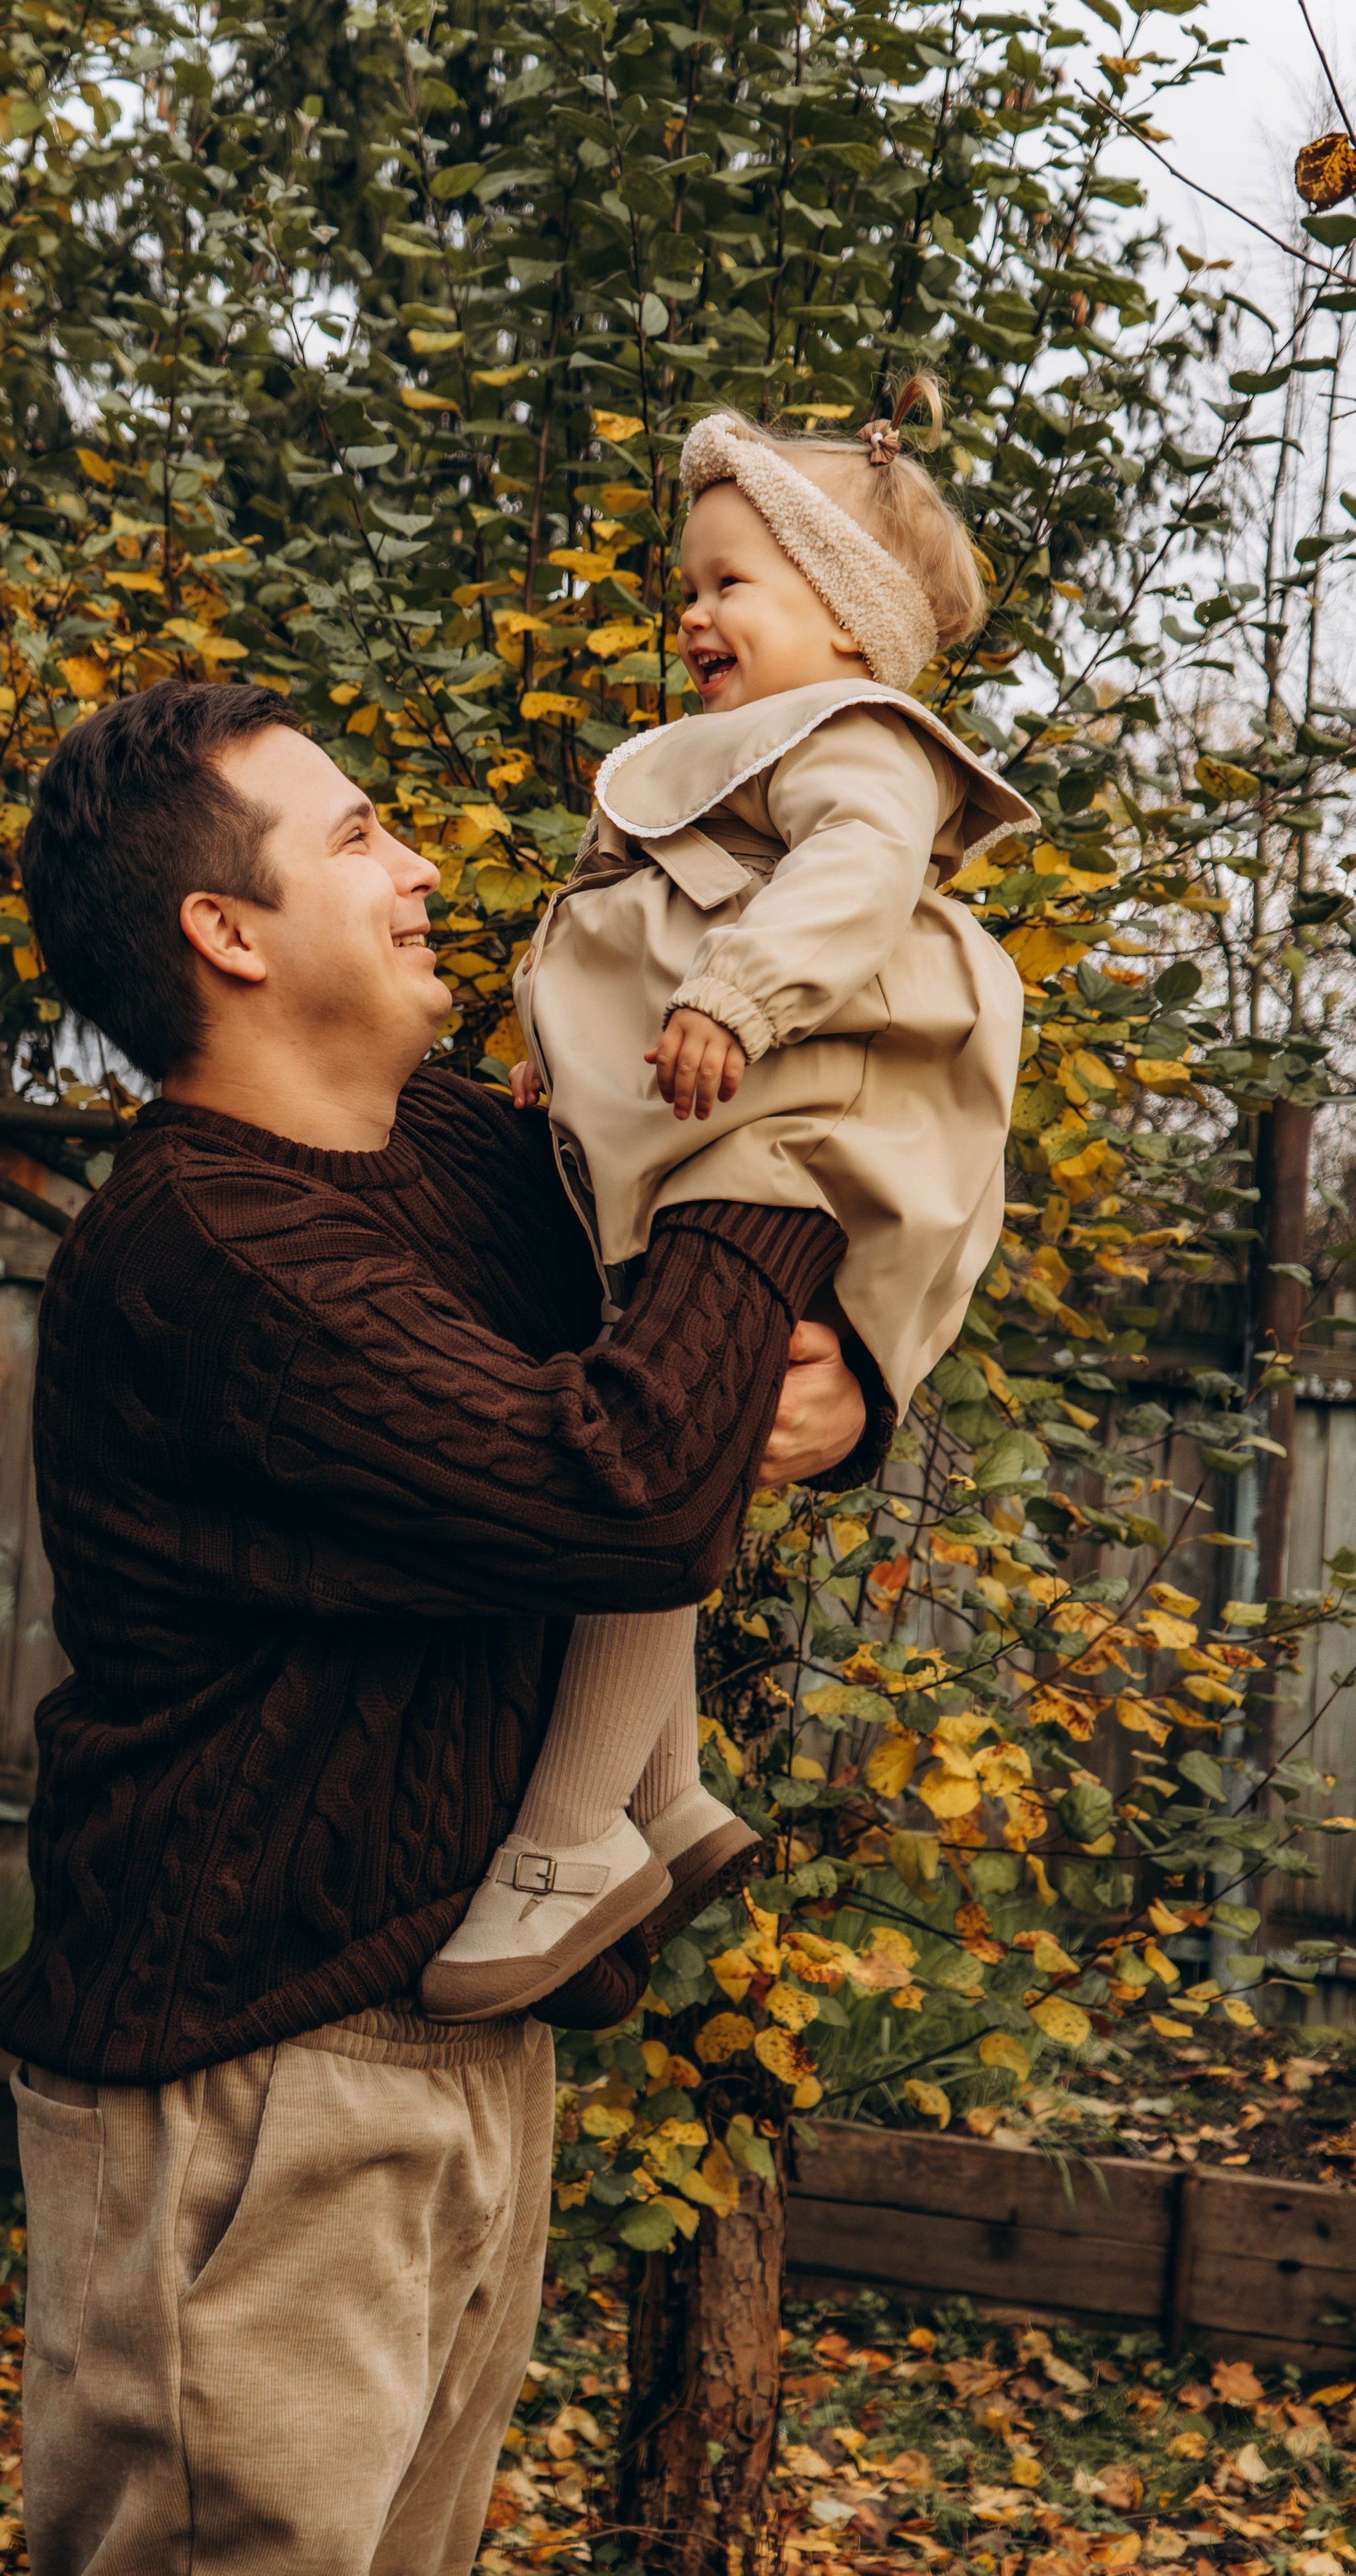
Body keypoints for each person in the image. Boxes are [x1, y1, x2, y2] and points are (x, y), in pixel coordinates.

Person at [0, 676, 874, 2576]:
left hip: (461, 2038)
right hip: (251, 2076)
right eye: (361, 834)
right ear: (226, 931)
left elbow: (687, 1361)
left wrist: (845, 1399)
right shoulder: (212, 1250)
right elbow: (625, 1488)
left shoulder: (463, 1154)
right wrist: (774, 1156)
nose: (423, 866)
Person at [421, 378, 1036, 2021]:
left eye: (730, 583)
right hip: (727, 1127)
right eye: (683, 585)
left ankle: (567, 1839)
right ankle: (669, 1793)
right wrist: (568, 1071)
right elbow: (631, 950)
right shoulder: (745, 755)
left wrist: (738, 1001)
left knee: (652, 1453)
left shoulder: (853, 743)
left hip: (786, 1131)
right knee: (672, 1432)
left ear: (845, 620)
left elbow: (848, 885)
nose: (691, 614)